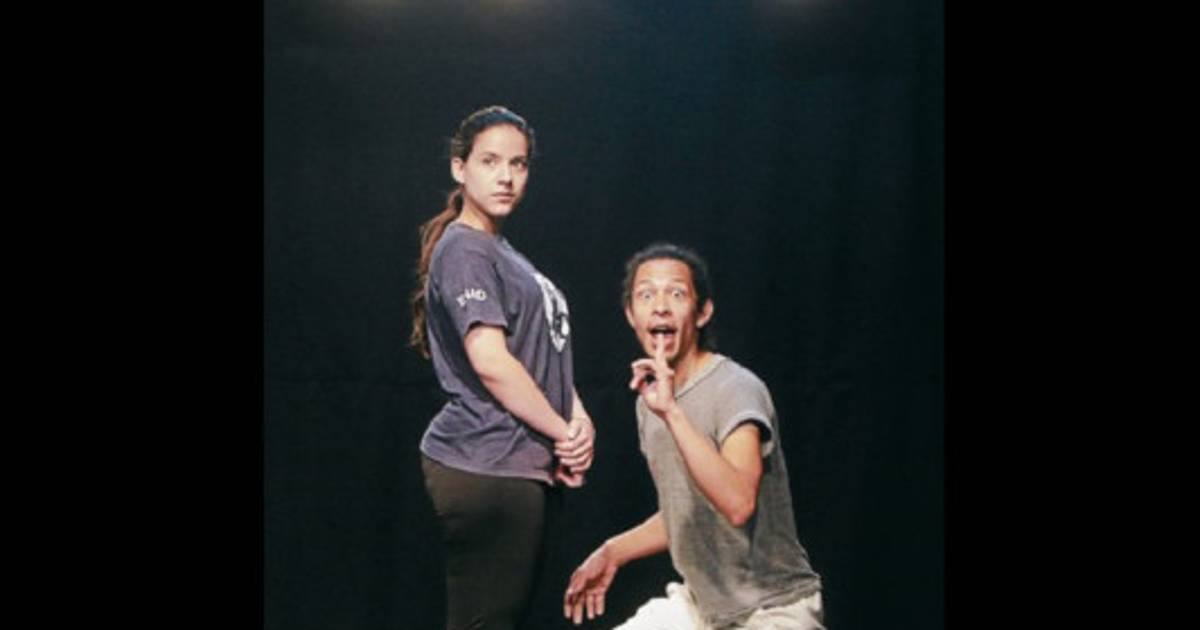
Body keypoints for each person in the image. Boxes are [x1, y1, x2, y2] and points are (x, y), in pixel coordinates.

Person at [563, 243, 824, 629]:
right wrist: (612, 551)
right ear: (631, 315)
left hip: (772, 608)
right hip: (703, 609)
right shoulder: (650, 403)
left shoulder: (735, 389)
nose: (660, 306)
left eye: (676, 293)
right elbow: (686, 510)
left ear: (702, 313)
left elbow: (737, 503)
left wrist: (672, 413)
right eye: (646, 295)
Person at [409, 105, 596, 630]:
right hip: (485, 461)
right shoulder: (466, 250)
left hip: (517, 462)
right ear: (459, 168)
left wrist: (578, 419)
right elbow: (491, 362)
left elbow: (543, 351)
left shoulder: (500, 251)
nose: (507, 176)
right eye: (490, 161)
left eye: (518, 164)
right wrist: (562, 431)